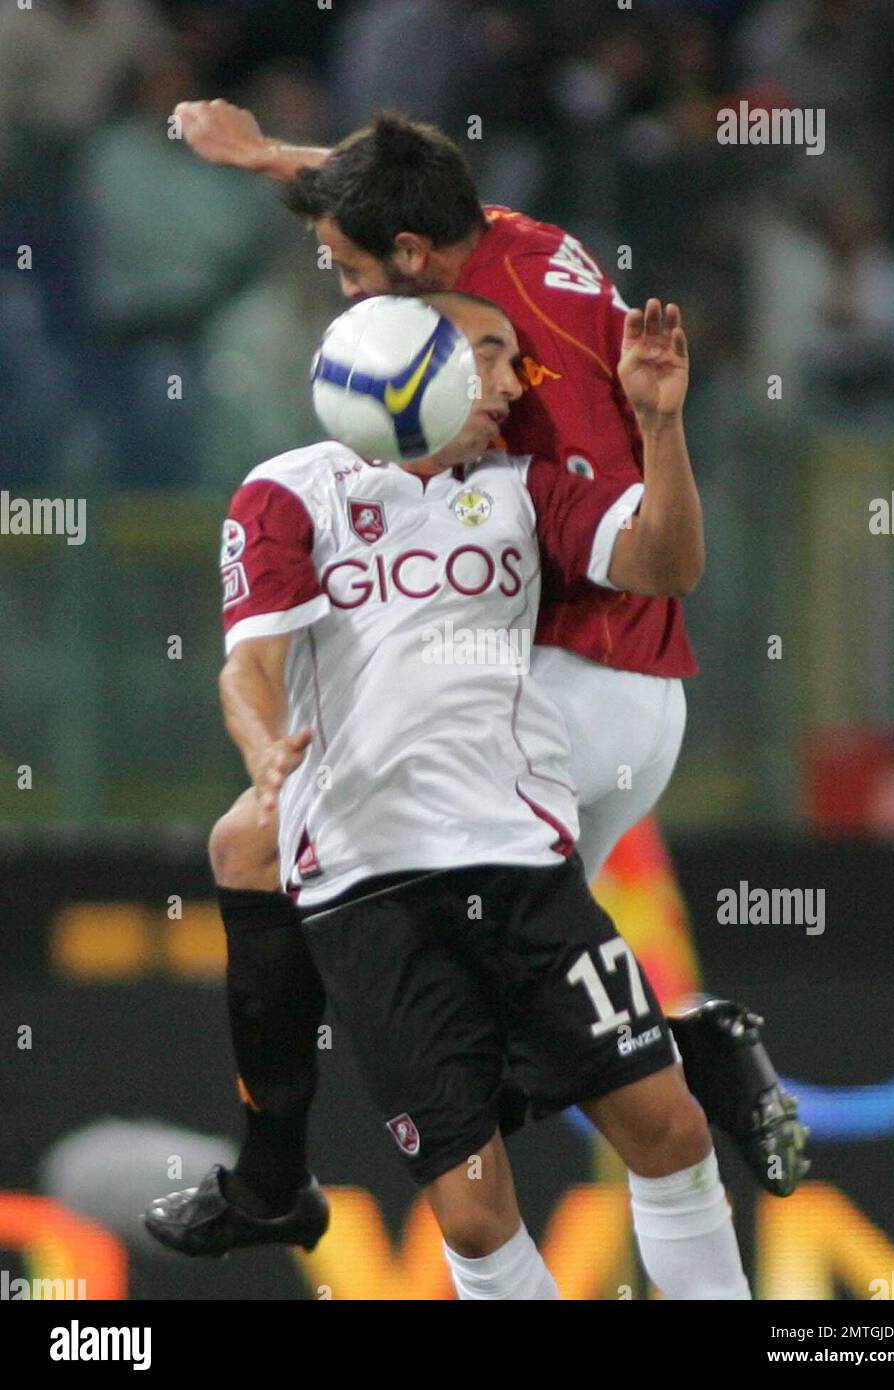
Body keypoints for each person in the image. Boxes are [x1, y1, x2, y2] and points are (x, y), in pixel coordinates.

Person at [144, 106, 808, 1255]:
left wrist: (657, 429)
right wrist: (274, 160)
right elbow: (394, 192)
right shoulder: (494, 236)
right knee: (519, 1003)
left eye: (349, 269)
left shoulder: (515, 371)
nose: (346, 294)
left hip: (575, 672)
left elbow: (649, 554)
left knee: (272, 856)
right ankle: (679, 1041)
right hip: (618, 700)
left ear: (412, 261)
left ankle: (273, 1176)